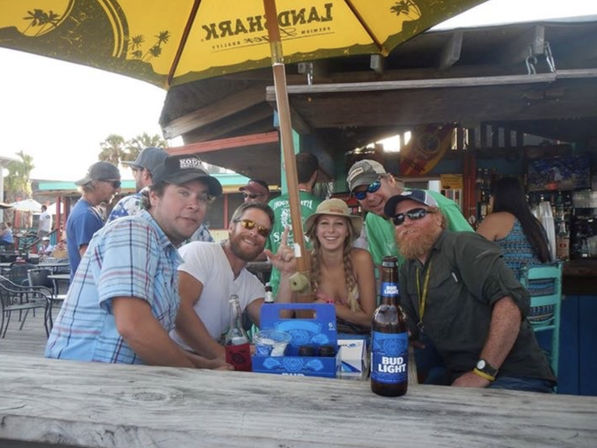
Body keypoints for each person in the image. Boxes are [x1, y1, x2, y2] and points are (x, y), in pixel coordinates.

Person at [45, 155, 228, 369]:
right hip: (83, 381)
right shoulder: (134, 230)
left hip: (119, 379)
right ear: (154, 197)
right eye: (183, 193)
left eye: (202, 197)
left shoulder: (166, 252)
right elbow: (135, 327)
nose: (194, 205)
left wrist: (210, 364)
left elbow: (158, 339)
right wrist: (198, 372)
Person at [384, 189, 556, 392]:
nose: (406, 222)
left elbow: (510, 303)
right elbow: (407, 325)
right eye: (399, 218)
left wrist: (482, 372)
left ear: (439, 218)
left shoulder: (464, 245)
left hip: (511, 374)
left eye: (417, 214)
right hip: (456, 373)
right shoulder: (408, 268)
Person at [170, 202, 295, 361]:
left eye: (262, 231)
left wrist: (287, 274)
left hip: (206, 363)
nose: (254, 233)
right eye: (248, 224)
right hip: (168, 358)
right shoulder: (200, 253)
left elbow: (276, 325)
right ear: (231, 227)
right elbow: (178, 309)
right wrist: (221, 355)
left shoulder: (250, 283)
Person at [346, 159, 473, 268]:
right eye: (360, 194)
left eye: (374, 186)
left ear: (390, 180)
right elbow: (383, 266)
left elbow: (472, 250)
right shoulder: (372, 219)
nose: (370, 197)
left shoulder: (436, 204)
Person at [302, 198, 376, 333]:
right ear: (316, 230)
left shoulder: (362, 259)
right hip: (316, 339)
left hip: (357, 340)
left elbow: (370, 319)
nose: (331, 230)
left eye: (339, 224)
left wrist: (329, 307)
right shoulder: (304, 261)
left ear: (347, 231)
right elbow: (299, 315)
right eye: (324, 223)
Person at [266, 152, 322, 295]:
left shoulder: (271, 205)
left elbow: (266, 249)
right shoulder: (321, 207)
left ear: (288, 173)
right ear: (315, 175)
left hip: (278, 286)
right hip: (312, 288)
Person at [477, 176, 551, 279]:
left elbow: (475, 254)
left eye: (492, 195)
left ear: (497, 197)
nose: (490, 200)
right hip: (544, 289)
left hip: (513, 291)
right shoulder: (534, 223)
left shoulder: (495, 219)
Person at [66, 161, 121, 277]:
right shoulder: (86, 215)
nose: (118, 190)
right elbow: (90, 263)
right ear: (96, 183)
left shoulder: (87, 211)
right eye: (115, 184)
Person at [107, 146, 167, 222]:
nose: (134, 176)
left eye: (135, 171)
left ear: (145, 173)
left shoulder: (130, 203)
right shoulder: (171, 205)